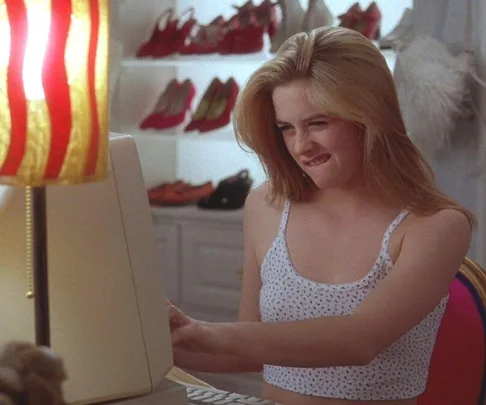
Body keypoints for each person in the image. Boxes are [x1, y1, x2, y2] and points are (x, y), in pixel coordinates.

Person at [168, 26, 475, 405]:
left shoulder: (436, 225)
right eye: (286, 128)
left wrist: (205, 331)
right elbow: (244, 349)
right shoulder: (265, 206)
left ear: (370, 117)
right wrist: (149, 340)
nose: (301, 145)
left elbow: (360, 340)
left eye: (318, 123)